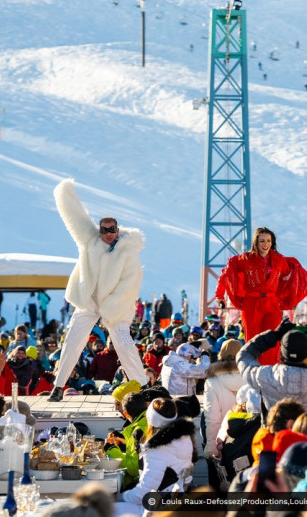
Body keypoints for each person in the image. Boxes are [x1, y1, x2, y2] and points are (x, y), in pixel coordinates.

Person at [48, 179, 147, 401]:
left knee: (124, 344)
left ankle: (143, 384)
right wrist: (65, 193)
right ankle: (58, 386)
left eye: (112, 230)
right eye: (104, 230)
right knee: (72, 340)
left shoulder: (128, 252)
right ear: (100, 230)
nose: (108, 234)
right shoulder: (90, 242)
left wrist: (111, 307)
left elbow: (131, 283)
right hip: (89, 300)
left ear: (118, 230)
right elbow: (76, 219)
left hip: (115, 305)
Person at [215, 227, 307, 365]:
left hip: (272, 302)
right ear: (256, 242)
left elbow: (297, 273)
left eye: (268, 241)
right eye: (262, 241)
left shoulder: (279, 260)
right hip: (252, 303)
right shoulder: (244, 259)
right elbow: (226, 275)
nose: (266, 244)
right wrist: (220, 296)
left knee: (273, 339)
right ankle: (253, 369)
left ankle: (270, 369)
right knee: (253, 339)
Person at [121, 398, 196, 505]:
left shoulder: (157, 450)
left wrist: (120, 496)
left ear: (150, 420)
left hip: (159, 505)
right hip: (174, 498)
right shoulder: (184, 438)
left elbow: (143, 494)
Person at [202, 339, 245, 458]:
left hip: (223, 440)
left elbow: (212, 419)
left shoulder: (212, 382)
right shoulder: (252, 377)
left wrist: (212, 449)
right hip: (248, 439)